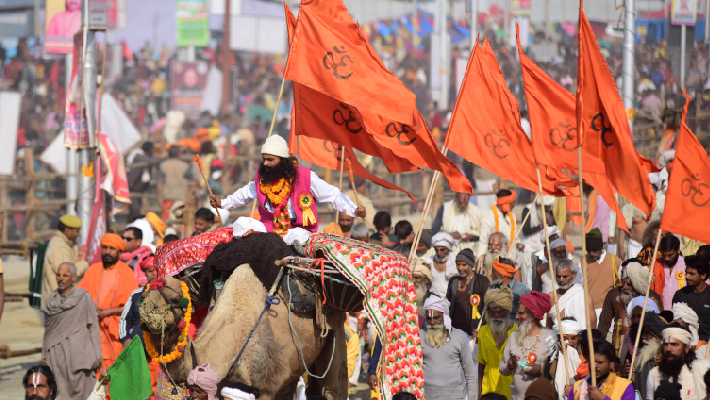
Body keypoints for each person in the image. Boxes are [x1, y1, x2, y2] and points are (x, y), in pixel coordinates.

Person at [210, 136, 365, 237]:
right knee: (240, 223)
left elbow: (333, 195)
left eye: (270, 159)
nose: (266, 163)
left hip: (296, 230)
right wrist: (222, 203)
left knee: (299, 237)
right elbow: (244, 195)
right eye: (264, 159)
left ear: (283, 160)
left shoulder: (305, 176)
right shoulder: (262, 177)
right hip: (269, 229)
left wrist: (354, 210)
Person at [78, 233, 139, 369]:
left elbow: (132, 305)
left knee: (113, 367)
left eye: (112, 248)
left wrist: (108, 312)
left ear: (119, 251)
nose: (107, 252)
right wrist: (91, 308)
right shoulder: (92, 270)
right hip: (92, 327)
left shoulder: (126, 273)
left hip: (115, 330)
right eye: (105, 248)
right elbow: (79, 295)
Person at [42, 262, 102, 400]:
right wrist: (44, 354)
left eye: (65, 275)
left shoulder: (83, 297)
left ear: (74, 278)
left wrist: (97, 354)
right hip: (56, 354)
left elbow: (93, 325)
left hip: (79, 354)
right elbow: (48, 331)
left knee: (82, 391)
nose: (61, 278)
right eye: (58, 275)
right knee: (57, 391)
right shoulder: (51, 301)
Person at [500, 292, 555, 400]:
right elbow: (502, 369)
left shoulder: (550, 336)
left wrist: (541, 369)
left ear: (533, 315)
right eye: (516, 313)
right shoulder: (514, 335)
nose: (517, 317)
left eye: (521, 313)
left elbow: (558, 369)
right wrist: (509, 366)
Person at [118, 255, 159, 400]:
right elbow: (124, 319)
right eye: (149, 271)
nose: (153, 274)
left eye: (155, 270)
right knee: (139, 393)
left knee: (159, 393)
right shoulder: (136, 294)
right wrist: (125, 339)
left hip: (160, 356)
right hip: (138, 354)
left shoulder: (169, 294)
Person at [420, 296, 477, 400]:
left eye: (436, 317)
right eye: (429, 318)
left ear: (445, 315)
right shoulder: (419, 336)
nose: (432, 322)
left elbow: (470, 372)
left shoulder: (459, 336)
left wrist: (472, 398)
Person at [598, 261, 664, 336]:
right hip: (622, 345)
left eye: (629, 283)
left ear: (638, 283)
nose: (624, 287)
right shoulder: (615, 297)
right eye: (622, 273)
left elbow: (661, 330)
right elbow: (603, 327)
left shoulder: (654, 299)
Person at [646, 326, 710, 400]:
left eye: (674, 344)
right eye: (666, 344)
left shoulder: (703, 367)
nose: (668, 349)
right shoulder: (654, 373)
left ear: (686, 348)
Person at [476, 286, 517, 399]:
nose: (496, 316)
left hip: (511, 389)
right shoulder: (483, 332)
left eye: (500, 312)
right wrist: (479, 389)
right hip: (489, 389)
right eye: (492, 312)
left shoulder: (517, 332)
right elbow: (481, 363)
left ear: (508, 311)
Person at [42, 214, 89, 305]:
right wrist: (85, 263)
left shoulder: (63, 243)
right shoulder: (61, 248)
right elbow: (67, 273)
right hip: (58, 303)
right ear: (67, 231)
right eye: (77, 231)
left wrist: (78, 258)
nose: (79, 234)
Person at [574, 228, 621, 319]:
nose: (591, 253)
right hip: (589, 311)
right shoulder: (582, 262)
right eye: (589, 250)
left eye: (594, 250)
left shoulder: (615, 261)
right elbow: (577, 287)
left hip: (609, 312)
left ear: (600, 247)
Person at [619, 312, 667, 400]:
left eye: (647, 333)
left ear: (657, 336)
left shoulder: (671, 359)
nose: (643, 337)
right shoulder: (638, 361)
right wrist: (625, 375)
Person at [568, 339, 634, 400]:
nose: (595, 366)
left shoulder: (625, 386)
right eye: (591, 362)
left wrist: (602, 398)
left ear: (611, 364)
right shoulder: (578, 387)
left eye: (600, 362)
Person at [446, 248, 490, 337]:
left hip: (472, 332)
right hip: (453, 331)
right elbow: (447, 304)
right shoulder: (453, 281)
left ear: (471, 265)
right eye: (458, 265)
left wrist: (481, 328)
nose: (460, 268)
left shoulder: (482, 281)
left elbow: (487, 307)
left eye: (464, 265)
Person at [547, 259, 596, 331]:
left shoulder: (585, 297)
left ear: (574, 274)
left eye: (565, 277)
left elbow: (592, 327)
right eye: (558, 276)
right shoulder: (551, 296)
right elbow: (549, 326)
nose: (561, 280)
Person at [672, 255, 710, 346]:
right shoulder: (680, 295)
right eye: (686, 273)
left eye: (692, 274)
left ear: (703, 275)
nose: (687, 277)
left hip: (707, 348)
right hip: (685, 346)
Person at [520, 196, 556, 289]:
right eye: (546, 209)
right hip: (528, 251)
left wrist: (550, 223)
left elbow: (554, 228)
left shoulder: (549, 211)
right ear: (539, 205)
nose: (547, 211)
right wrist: (540, 226)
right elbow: (525, 230)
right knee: (527, 282)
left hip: (542, 253)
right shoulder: (527, 210)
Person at [126, 142, 164, 221]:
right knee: (135, 209)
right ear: (150, 150)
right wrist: (164, 159)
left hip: (138, 187)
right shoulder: (138, 155)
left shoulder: (142, 156)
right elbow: (151, 161)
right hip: (132, 187)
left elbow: (153, 159)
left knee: (136, 208)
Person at [551, 318, 584, 400]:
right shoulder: (552, 356)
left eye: (573, 338)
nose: (569, 343)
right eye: (565, 338)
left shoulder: (585, 356)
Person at [158, 146, 194, 221]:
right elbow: (192, 181)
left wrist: (159, 197)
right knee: (181, 222)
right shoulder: (185, 166)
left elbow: (160, 182)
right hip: (181, 198)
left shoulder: (163, 165)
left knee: (167, 222)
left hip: (167, 198)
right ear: (179, 154)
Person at [479, 190, 517, 257]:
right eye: (512, 202)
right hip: (495, 259)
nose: (514, 204)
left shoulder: (512, 216)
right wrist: (479, 261)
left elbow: (514, 237)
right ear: (505, 203)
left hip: (511, 258)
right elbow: (483, 242)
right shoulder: (489, 217)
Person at [429, 231, 459, 297]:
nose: (439, 253)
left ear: (449, 249)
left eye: (443, 250)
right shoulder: (428, 261)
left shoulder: (456, 263)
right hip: (432, 300)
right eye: (437, 250)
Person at [662, 235, 687, 311]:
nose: (666, 258)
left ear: (678, 250)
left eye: (670, 255)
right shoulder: (657, 264)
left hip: (681, 312)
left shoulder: (686, 265)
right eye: (664, 255)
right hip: (660, 314)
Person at [412, 259, 434, 324]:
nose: (413, 281)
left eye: (417, 277)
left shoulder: (434, 300)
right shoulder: (404, 298)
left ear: (427, 280)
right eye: (411, 277)